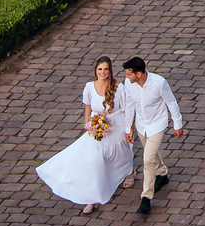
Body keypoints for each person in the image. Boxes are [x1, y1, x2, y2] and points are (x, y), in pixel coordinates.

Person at [35, 55, 136, 214]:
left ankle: (129, 171)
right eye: (100, 69)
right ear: (96, 71)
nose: (103, 72)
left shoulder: (119, 88)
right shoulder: (89, 87)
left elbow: (126, 108)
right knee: (93, 161)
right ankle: (92, 197)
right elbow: (88, 107)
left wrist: (128, 128)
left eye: (106, 69)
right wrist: (88, 124)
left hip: (116, 124)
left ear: (110, 71)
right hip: (97, 126)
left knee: (120, 153)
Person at [122, 56, 184, 218]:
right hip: (142, 125)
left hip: (157, 124)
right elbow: (129, 105)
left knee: (147, 159)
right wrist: (128, 128)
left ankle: (146, 197)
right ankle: (162, 174)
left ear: (139, 74)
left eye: (129, 74)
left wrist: (177, 124)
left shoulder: (159, 83)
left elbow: (171, 103)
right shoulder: (129, 84)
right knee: (151, 153)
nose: (127, 77)